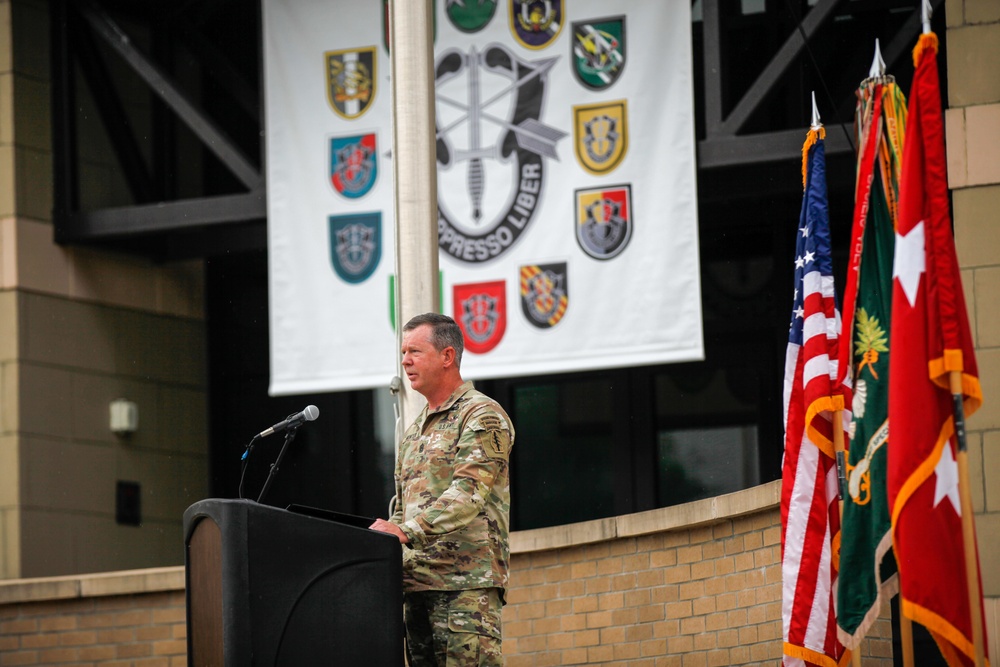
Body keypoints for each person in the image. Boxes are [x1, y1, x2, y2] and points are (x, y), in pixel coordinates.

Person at [370, 313, 514, 667]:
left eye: (415, 351)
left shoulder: (481, 415)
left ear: (447, 356)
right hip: (416, 586)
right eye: (403, 352)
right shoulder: (414, 430)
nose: (405, 361)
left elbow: (468, 494)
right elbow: (404, 508)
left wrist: (404, 532)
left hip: (464, 587)